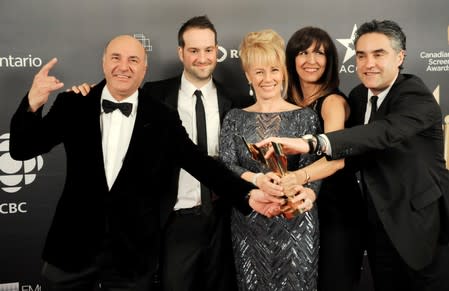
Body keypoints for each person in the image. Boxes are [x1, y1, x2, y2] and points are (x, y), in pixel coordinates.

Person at [9, 34, 282, 291]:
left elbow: (202, 165)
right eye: (116, 58)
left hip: (130, 257)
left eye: (133, 60)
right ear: (104, 62)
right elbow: (22, 149)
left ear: (144, 69)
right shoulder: (74, 104)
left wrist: (247, 196)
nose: (123, 67)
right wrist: (33, 103)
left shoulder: (162, 117)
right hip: (70, 251)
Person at [257, 20, 449, 291]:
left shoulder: (414, 94)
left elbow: (382, 133)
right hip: (375, 223)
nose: (369, 63)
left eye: (378, 54)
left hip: (418, 223)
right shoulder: (359, 96)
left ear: (400, 57)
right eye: (361, 55)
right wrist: (299, 176)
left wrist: (311, 143)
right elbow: (353, 153)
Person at [219, 29, 321, 290]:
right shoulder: (234, 118)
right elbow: (226, 164)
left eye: (274, 70)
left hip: (296, 224)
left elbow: (315, 170)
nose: (267, 78)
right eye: (259, 71)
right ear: (248, 76)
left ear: (283, 72)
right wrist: (257, 180)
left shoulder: (305, 117)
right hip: (249, 222)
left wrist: (306, 194)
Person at [283, 27, 364, 291]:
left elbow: (335, 158)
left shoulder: (332, 102)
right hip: (297, 210)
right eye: (303, 52)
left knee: (333, 281)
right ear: (292, 59)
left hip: (335, 209)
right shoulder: (286, 102)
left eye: (319, 53)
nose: (311, 60)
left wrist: (296, 177)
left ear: (329, 60)